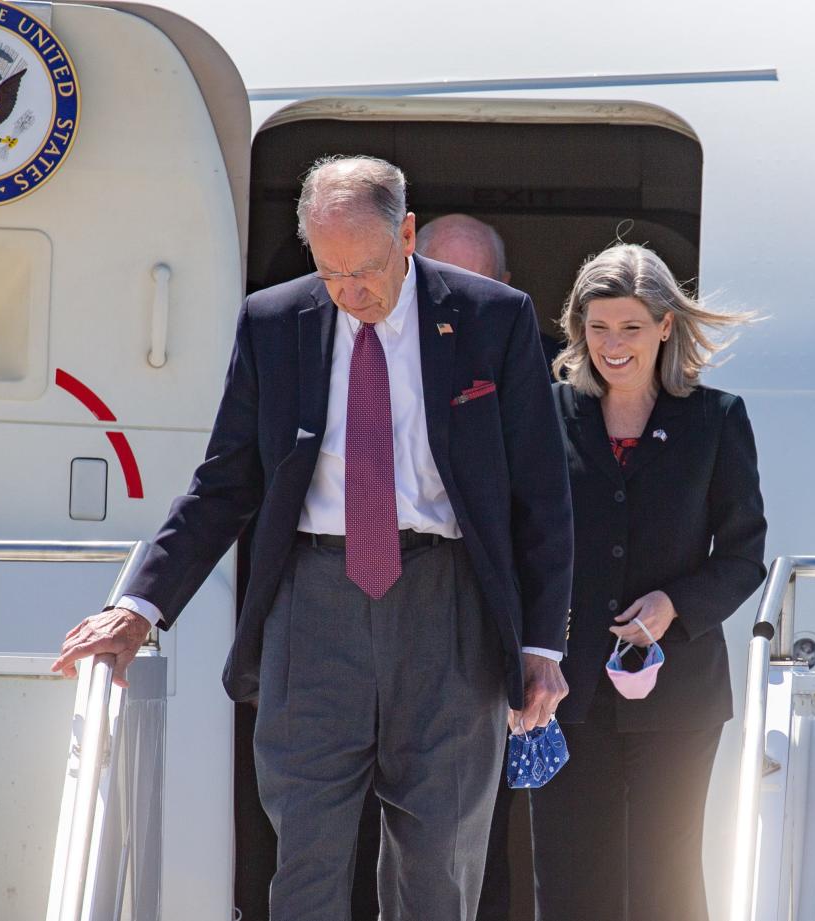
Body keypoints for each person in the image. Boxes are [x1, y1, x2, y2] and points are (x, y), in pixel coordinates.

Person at [53, 155, 575, 921]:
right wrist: (142, 607)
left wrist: (542, 646)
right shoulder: (274, 321)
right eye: (330, 273)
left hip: (449, 608)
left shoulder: (491, 316)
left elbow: (542, 493)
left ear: (407, 232)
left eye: (364, 270)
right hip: (312, 607)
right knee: (304, 866)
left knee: (438, 874)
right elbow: (224, 483)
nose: (349, 293)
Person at [531, 243, 767, 921]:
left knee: (666, 882)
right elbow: (522, 542)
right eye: (598, 326)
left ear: (665, 326)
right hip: (565, 691)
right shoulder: (544, 415)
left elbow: (745, 553)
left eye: (631, 327)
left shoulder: (717, 419)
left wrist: (674, 604)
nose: (613, 344)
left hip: (679, 693)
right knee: (573, 881)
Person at [417, 214, 562, 373]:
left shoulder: (552, 366)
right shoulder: (391, 352)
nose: (461, 307)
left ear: (504, 288)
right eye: (446, 288)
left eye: (478, 291)